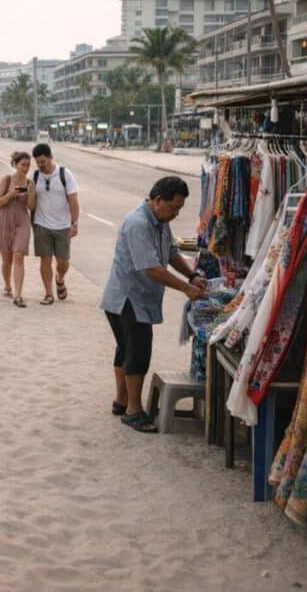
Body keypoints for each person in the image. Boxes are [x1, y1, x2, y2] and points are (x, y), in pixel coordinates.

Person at [100, 176, 207, 433]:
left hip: (135, 298)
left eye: (179, 209)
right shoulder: (138, 224)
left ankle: (122, 401)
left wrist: (192, 275)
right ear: (157, 200)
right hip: (127, 298)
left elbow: (170, 254)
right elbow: (152, 269)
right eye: (173, 208)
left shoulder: (159, 222)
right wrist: (186, 288)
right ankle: (134, 411)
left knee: (126, 348)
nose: (175, 213)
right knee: (137, 353)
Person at [29, 143, 80, 306]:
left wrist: (74, 223)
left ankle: (60, 278)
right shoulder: (35, 177)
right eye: (37, 162)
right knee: (45, 260)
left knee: (63, 261)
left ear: (51, 157)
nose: (40, 165)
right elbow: (31, 203)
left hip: (62, 225)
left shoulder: (65, 174)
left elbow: (73, 200)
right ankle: (48, 293)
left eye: (43, 161)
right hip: (41, 224)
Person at [0, 151, 37, 307]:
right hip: (5, 219)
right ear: (15, 165)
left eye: (27, 165)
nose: (25, 168)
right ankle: (7, 285)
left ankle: (18, 295)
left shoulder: (30, 183)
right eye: (22, 165)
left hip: (22, 220)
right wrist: (11, 194)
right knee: (7, 258)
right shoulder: (7, 179)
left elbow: (31, 207)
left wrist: (30, 192)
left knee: (19, 255)